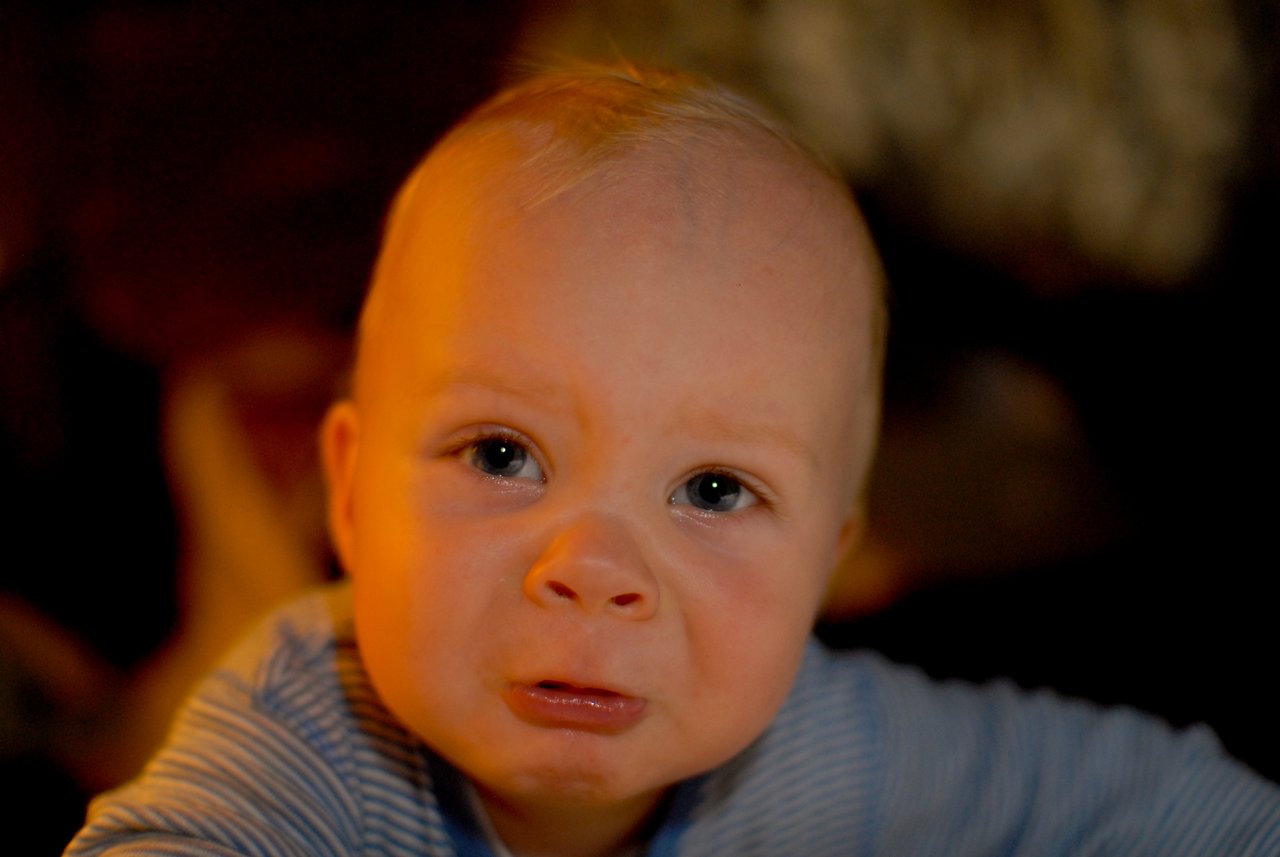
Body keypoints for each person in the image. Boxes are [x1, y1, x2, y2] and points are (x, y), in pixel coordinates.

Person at [65, 62, 1279, 857]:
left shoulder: (817, 739)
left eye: (711, 489)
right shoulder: (312, 747)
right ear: (348, 489)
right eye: (501, 451)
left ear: (826, 559)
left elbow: (1176, 802)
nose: (592, 568)